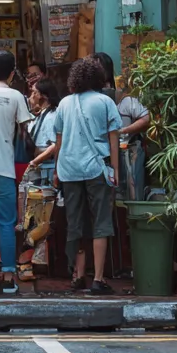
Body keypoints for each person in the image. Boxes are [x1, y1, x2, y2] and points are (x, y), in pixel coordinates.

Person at [53, 55, 122, 294]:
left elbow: (58, 142)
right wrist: (115, 171)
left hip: (69, 169)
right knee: (101, 221)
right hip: (96, 168)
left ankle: (78, 275)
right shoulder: (104, 102)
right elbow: (114, 140)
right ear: (97, 77)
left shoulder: (63, 104)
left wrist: (55, 171)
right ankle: (98, 278)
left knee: (76, 223)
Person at [0, 50, 33, 295]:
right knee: (6, 223)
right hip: (3, 168)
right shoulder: (16, 96)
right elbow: (26, 130)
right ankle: (7, 277)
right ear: (13, 73)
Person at [25, 78, 62, 185]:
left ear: (43, 96)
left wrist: (33, 162)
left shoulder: (51, 116)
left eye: (34, 92)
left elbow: (55, 146)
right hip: (41, 168)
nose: (31, 96)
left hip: (47, 168)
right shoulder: (40, 114)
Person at [117, 89, 151, 201]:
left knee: (133, 184)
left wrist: (124, 130)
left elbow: (146, 119)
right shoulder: (104, 102)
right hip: (115, 150)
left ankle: (136, 211)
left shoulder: (128, 101)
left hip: (131, 147)